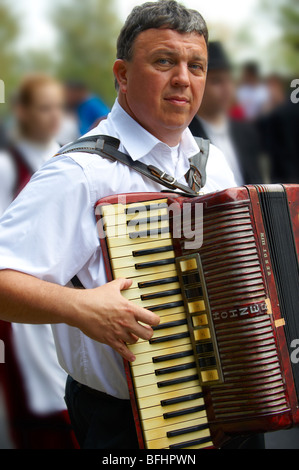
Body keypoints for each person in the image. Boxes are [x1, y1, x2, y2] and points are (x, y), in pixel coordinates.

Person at [0, 1, 242, 449]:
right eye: (164, 61)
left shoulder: (213, 163)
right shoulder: (81, 171)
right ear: (123, 74)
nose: (183, 79)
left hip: (232, 408)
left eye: (196, 65)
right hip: (129, 426)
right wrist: (80, 308)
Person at [0, 74, 78, 449]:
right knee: (42, 415)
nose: (53, 116)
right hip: (27, 310)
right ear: (22, 111)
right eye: (43, 107)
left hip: (72, 301)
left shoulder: (73, 158)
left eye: (58, 108)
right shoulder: (6, 167)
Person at [189, 42, 264, 185]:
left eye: (229, 80)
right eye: (216, 81)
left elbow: (256, 180)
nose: (227, 88)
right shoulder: (185, 136)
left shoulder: (246, 132)